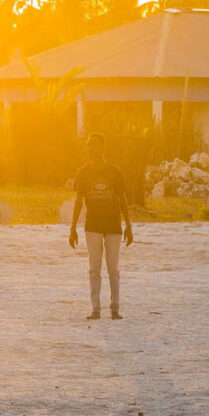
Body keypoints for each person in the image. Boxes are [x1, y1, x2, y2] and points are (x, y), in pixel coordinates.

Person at [68, 132, 132, 319]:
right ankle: (96, 309)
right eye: (88, 145)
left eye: (94, 145)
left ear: (103, 147)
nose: (91, 148)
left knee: (113, 268)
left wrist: (129, 225)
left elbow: (122, 199)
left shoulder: (114, 171)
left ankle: (115, 308)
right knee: (94, 268)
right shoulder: (83, 173)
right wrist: (72, 228)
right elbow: (79, 202)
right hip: (92, 226)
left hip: (113, 225)